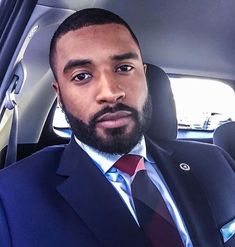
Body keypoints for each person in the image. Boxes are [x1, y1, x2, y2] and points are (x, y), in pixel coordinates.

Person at [0, 8, 235, 247]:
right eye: (81, 76)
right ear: (59, 95)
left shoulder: (216, 163)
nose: (110, 93)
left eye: (124, 68)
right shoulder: (12, 199)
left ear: (144, 76)